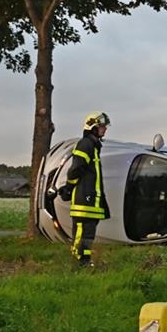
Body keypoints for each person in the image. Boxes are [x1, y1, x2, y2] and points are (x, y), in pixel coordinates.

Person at [59, 111, 111, 267]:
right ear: (93, 127)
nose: (105, 129)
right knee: (82, 234)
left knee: (87, 234)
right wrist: (68, 187)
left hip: (91, 201)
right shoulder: (85, 144)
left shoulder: (93, 146)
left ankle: (84, 262)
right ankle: (79, 263)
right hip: (84, 201)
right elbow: (76, 169)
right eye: (102, 126)